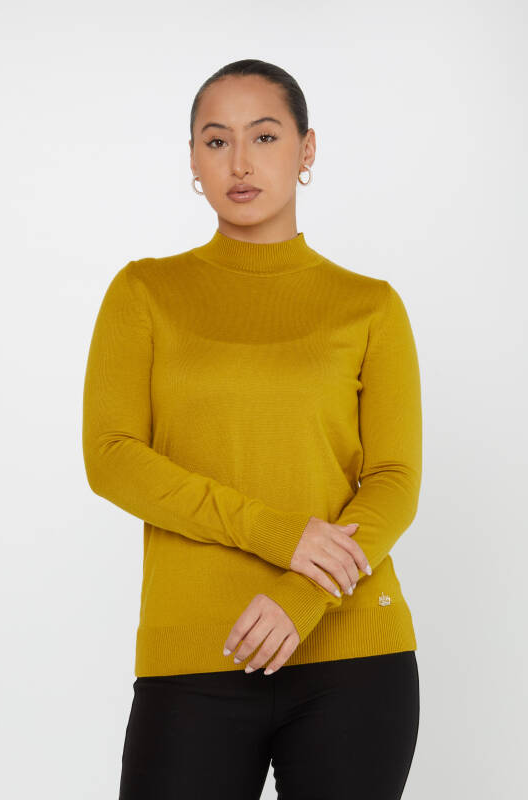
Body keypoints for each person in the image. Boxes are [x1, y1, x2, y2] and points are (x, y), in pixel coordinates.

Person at [82, 58, 422, 800]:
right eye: (216, 141)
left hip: (352, 658)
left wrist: (301, 596)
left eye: (264, 136)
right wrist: (280, 535)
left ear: (306, 149)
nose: (239, 162)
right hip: (193, 658)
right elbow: (112, 458)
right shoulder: (145, 292)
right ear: (193, 160)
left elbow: (394, 483)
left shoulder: (369, 306)